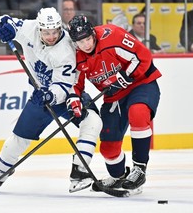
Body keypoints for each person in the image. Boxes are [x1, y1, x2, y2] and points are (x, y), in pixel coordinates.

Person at [0, 7, 102, 194]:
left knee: (94, 122)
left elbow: (64, 85)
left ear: (60, 28)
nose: (51, 36)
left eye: (55, 32)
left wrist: (51, 95)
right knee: (18, 139)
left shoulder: (66, 49)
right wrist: (2, 28)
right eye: (46, 32)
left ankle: (81, 173)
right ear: (39, 29)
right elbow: (0, 21)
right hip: (40, 97)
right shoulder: (29, 28)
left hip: (67, 95)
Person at [66, 15, 161, 194]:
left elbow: (143, 56)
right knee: (108, 146)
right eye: (80, 42)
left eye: (88, 38)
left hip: (141, 83)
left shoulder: (112, 36)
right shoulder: (75, 55)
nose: (86, 44)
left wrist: (126, 76)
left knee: (138, 113)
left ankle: (139, 169)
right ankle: (118, 176)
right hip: (114, 96)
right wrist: (74, 98)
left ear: (93, 33)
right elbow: (75, 84)